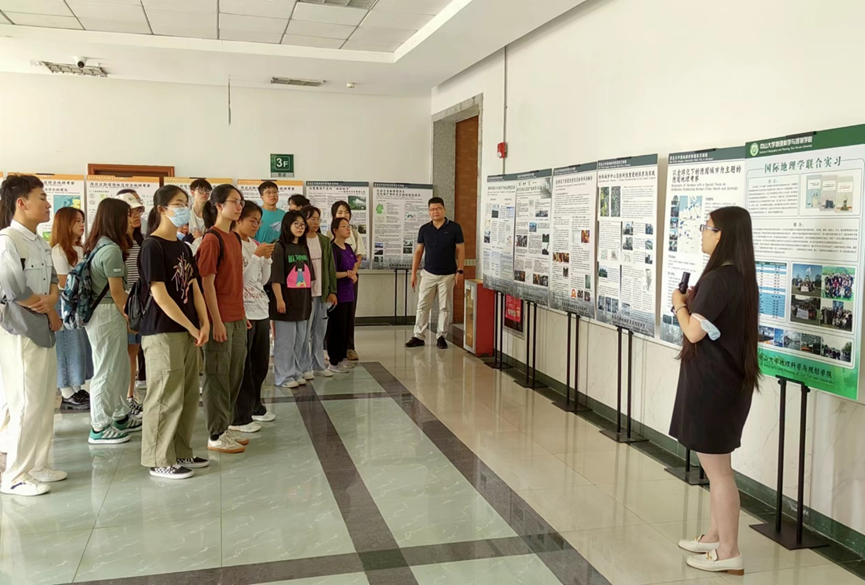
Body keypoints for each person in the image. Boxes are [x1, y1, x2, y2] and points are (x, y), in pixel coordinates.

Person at [669, 207, 759, 576]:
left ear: (722, 235)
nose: (702, 233)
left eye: (707, 227)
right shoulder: (738, 276)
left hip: (715, 385)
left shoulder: (721, 279)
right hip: (722, 382)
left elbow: (693, 332)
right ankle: (714, 536)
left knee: (719, 472)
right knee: (717, 467)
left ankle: (728, 551)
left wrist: (679, 305)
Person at [138, 185, 211, 479]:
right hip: (162, 331)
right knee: (164, 395)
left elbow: (194, 287)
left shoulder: (183, 247)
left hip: (189, 331)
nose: (184, 208)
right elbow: (159, 294)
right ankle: (159, 458)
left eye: (185, 203)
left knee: (188, 395)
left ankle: (181, 450)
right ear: (162, 209)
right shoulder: (151, 246)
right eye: (178, 203)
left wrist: (204, 322)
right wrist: (191, 325)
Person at [0, 175, 65, 496]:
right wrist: (42, 304)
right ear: (21, 202)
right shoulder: (8, 239)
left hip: (43, 326)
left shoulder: (39, 240)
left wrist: (51, 302)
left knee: (43, 399)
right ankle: (15, 474)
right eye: (42, 197)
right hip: (20, 328)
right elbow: (12, 286)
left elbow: (52, 277)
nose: (48, 204)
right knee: (25, 402)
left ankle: (38, 464)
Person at [197, 184, 249, 454]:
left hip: (237, 316)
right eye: (234, 202)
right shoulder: (211, 239)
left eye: (241, 202)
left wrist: (242, 314)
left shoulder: (234, 238)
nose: (239, 206)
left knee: (234, 375)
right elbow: (206, 284)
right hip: (219, 319)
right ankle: (215, 435)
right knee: (217, 377)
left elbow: (235, 282)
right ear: (218, 205)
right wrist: (215, 322)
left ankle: (225, 427)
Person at [84, 198, 142, 445]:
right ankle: (99, 426)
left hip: (108, 313)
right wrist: (133, 319)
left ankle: (119, 415)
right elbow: (118, 294)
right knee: (106, 370)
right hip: (106, 314)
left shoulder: (102, 245)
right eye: (127, 214)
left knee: (117, 367)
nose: (132, 219)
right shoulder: (111, 250)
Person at [232, 202, 276, 429]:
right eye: (252, 221)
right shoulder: (234, 244)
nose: (256, 225)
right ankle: (242, 413)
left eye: (259, 221)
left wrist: (266, 260)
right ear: (238, 220)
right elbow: (242, 280)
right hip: (244, 310)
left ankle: (256, 404)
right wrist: (258, 257)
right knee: (245, 365)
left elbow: (263, 280)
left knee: (260, 364)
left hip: (261, 309)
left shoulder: (255, 244)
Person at [405, 197, 465, 349]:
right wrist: (413, 273)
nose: (435, 212)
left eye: (438, 208)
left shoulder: (455, 228)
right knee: (423, 305)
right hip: (428, 273)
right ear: (429, 211)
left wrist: (460, 270)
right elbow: (418, 252)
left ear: (444, 209)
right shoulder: (424, 229)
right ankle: (418, 336)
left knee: (444, 307)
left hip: (448, 275)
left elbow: (460, 250)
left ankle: (441, 336)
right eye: (432, 209)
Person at [49, 207, 92, 410]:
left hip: (79, 303)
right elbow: (64, 282)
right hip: (64, 303)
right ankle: (66, 391)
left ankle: (76, 388)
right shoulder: (58, 251)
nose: (82, 225)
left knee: (78, 347)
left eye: (82, 220)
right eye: (77, 221)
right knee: (66, 347)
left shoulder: (80, 248)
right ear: (65, 224)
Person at [270, 210, 314, 388]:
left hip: (302, 302)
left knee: (299, 341)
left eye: (302, 224)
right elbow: (276, 278)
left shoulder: (304, 247)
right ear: (287, 225)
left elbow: (309, 277)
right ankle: (283, 376)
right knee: (285, 342)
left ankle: (296, 372)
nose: (300, 227)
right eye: (296, 224)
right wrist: (279, 300)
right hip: (285, 301)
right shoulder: (280, 247)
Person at [114, 190, 146, 417]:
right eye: (131, 212)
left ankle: (129, 396)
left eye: (138, 211)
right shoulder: (115, 243)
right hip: (122, 303)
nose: (136, 216)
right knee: (123, 354)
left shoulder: (141, 240)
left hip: (139, 301)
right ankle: (122, 400)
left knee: (133, 351)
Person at [301, 205, 337, 378]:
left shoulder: (323, 241)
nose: (316, 222)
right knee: (304, 332)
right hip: (304, 294)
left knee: (319, 331)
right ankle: (304, 367)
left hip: (321, 293)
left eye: (318, 219)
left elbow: (330, 267)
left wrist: (332, 290)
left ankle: (318, 365)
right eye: (312, 219)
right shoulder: (299, 240)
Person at [330, 201, 365, 361]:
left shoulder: (353, 236)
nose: (344, 215)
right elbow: (331, 268)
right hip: (337, 285)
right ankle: (333, 353)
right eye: (340, 212)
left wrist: (353, 272)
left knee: (348, 317)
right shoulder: (329, 239)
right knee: (336, 320)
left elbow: (358, 257)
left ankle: (348, 349)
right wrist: (347, 274)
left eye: (346, 212)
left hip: (351, 282)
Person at [326, 217, 357, 374]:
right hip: (338, 294)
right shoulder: (333, 249)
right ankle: (334, 361)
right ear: (335, 230)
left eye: (348, 226)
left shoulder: (349, 248)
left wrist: (352, 273)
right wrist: (347, 274)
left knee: (346, 328)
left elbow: (354, 265)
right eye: (344, 226)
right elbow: (331, 273)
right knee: (336, 328)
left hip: (349, 293)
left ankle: (343, 357)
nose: (348, 229)